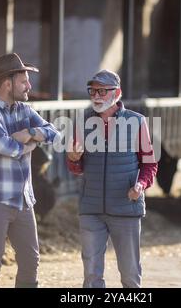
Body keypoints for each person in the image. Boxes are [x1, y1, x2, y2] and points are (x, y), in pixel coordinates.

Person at [0, 53, 59, 288]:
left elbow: (52, 132)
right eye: (24, 81)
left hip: (23, 199)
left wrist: (28, 134)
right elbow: (4, 146)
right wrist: (32, 142)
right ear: (7, 84)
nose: (29, 86)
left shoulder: (24, 109)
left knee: (31, 260)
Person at [66, 69, 158, 288]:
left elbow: (150, 164)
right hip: (91, 209)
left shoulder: (137, 122)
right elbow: (76, 168)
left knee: (130, 275)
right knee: (91, 276)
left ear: (117, 93)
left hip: (126, 208)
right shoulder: (83, 122)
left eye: (102, 91)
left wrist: (141, 185)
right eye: (93, 91)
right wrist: (73, 158)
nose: (96, 96)